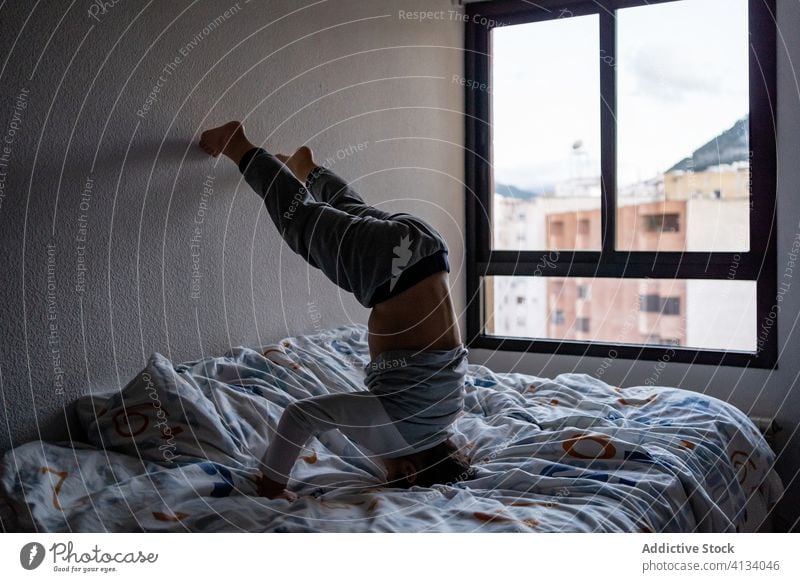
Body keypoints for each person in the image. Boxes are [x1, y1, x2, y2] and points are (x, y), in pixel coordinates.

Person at [198, 121, 473, 501]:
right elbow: (300, 416)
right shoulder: (396, 433)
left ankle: (306, 168)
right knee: (300, 222)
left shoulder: (444, 419)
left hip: (427, 248)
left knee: (350, 212)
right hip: (388, 271)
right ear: (408, 473)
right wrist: (274, 484)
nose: (379, 462)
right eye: (386, 470)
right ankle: (237, 143)